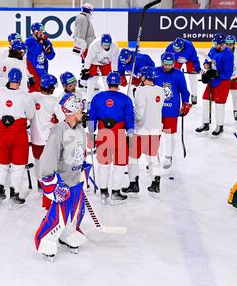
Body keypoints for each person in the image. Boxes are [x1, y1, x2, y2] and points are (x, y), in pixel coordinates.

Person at [34, 93, 89, 261]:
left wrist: (83, 172)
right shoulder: (58, 131)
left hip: (76, 179)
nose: (83, 112)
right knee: (58, 215)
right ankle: (46, 240)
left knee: (75, 213)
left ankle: (68, 234)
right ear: (71, 112)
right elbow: (48, 157)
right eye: (80, 110)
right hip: (63, 183)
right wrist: (49, 180)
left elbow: (80, 153)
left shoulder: (79, 128)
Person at [88, 72, 135, 205]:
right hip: (119, 135)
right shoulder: (126, 99)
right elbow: (129, 119)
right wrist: (130, 135)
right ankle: (115, 193)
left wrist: (91, 134)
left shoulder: (97, 98)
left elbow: (92, 118)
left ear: (107, 83)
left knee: (104, 164)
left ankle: (103, 192)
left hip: (103, 135)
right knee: (119, 165)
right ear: (119, 84)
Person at [0, 68, 35, 207]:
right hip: (18, 134)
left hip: (2, 133)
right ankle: (14, 194)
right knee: (18, 167)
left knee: (3, 165)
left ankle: (0, 190)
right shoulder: (25, 96)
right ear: (21, 80)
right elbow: (30, 115)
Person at [123, 66, 165, 198]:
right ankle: (156, 184)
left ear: (145, 77)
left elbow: (140, 114)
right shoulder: (161, 90)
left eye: (141, 76)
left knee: (133, 158)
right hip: (156, 129)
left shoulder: (140, 91)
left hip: (142, 130)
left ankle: (134, 185)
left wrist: (130, 114)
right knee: (153, 158)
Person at [30, 73, 63, 209]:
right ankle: (49, 184)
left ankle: (39, 182)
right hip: (49, 139)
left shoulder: (33, 97)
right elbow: (61, 119)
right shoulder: (55, 101)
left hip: (35, 138)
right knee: (51, 164)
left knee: (38, 161)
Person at [154, 52, 191, 170]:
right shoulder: (155, 72)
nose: (167, 67)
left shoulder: (178, 74)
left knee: (168, 135)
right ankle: (153, 157)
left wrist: (186, 103)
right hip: (156, 110)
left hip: (171, 110)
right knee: (155, 134)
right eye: (165, 64)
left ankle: (168, 156)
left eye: (170, 64)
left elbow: (184, 91)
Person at [196, 33, 234, 137]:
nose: (214, 46)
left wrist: (217, 74)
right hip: (212, 81)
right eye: (213, 44)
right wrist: (206, 65)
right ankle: (205, 123)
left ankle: (219, 126)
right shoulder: (213, 50)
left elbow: (228, 73)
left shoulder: (229, 54)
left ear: (222, 45)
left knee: (219, 104)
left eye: (216, 44)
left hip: (222, 82)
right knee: (205, 100)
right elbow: (207, 59)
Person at [81, 33, 119, 103]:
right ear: (101, 43)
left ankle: (110, 99)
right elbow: (89, 58)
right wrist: (86, 69)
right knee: (91, 81)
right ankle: (89, 101)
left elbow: (115, 60)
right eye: (104, 45)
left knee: (107, 80)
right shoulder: (94, 45)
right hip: (94, 62)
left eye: (108, 45)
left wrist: (115, 71)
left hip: (106, 62)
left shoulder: (115, 46)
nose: (106, 47)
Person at [165, 37, 201, 105]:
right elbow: (165, 58)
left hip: (189, 59)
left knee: (192, 76)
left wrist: (197, 68)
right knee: (173, 74)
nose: (176, 50)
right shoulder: (170, 47)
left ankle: (194, 94)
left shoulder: (190, 47)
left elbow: (195, 58)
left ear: (183, 47)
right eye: (175, 49)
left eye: (178, 49)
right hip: (176, 59)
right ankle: (172, 91)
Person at [25, 22, 55, 92]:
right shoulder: (29, 41)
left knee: (43, 90)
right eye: (40, 32)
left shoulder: (46, 41)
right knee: (34, 90)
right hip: (32, 69)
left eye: (42, 32)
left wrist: (49, 51)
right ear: (34, 32)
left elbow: (51, 57)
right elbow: (36, 51)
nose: (42, 34)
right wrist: (41, 43)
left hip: (43, 70)